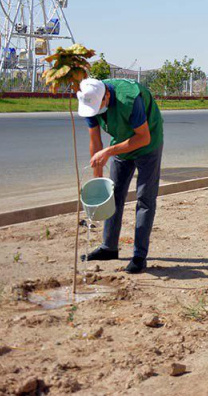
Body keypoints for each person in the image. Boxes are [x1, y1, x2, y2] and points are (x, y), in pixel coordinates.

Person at [76, 77, 164, 274]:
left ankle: (139, 257)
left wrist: (108, 152)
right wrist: (97, 178)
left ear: (107, 95)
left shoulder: (130, 100)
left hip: (148, 144)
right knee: (113, 195)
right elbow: (95, 140)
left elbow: (143, 137)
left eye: (100, 106)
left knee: (145, 199)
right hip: (121, 145)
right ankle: (109, 247)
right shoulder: (90, 100)